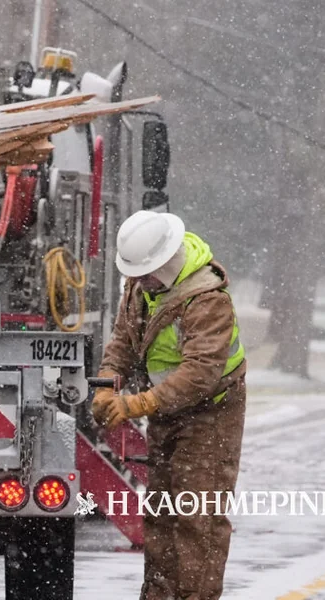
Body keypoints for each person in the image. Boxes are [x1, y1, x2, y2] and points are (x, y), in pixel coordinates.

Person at [91, 211, 246, 600]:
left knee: (198, 518)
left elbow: (200, 373)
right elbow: (122, 344)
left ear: (167, 262)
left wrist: (137, 403)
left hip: (211, 413)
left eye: (144, 273)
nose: (137, 281)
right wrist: (107, 387)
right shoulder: (143, 288)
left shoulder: (207, 299)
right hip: (167, 410)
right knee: (161, 512)